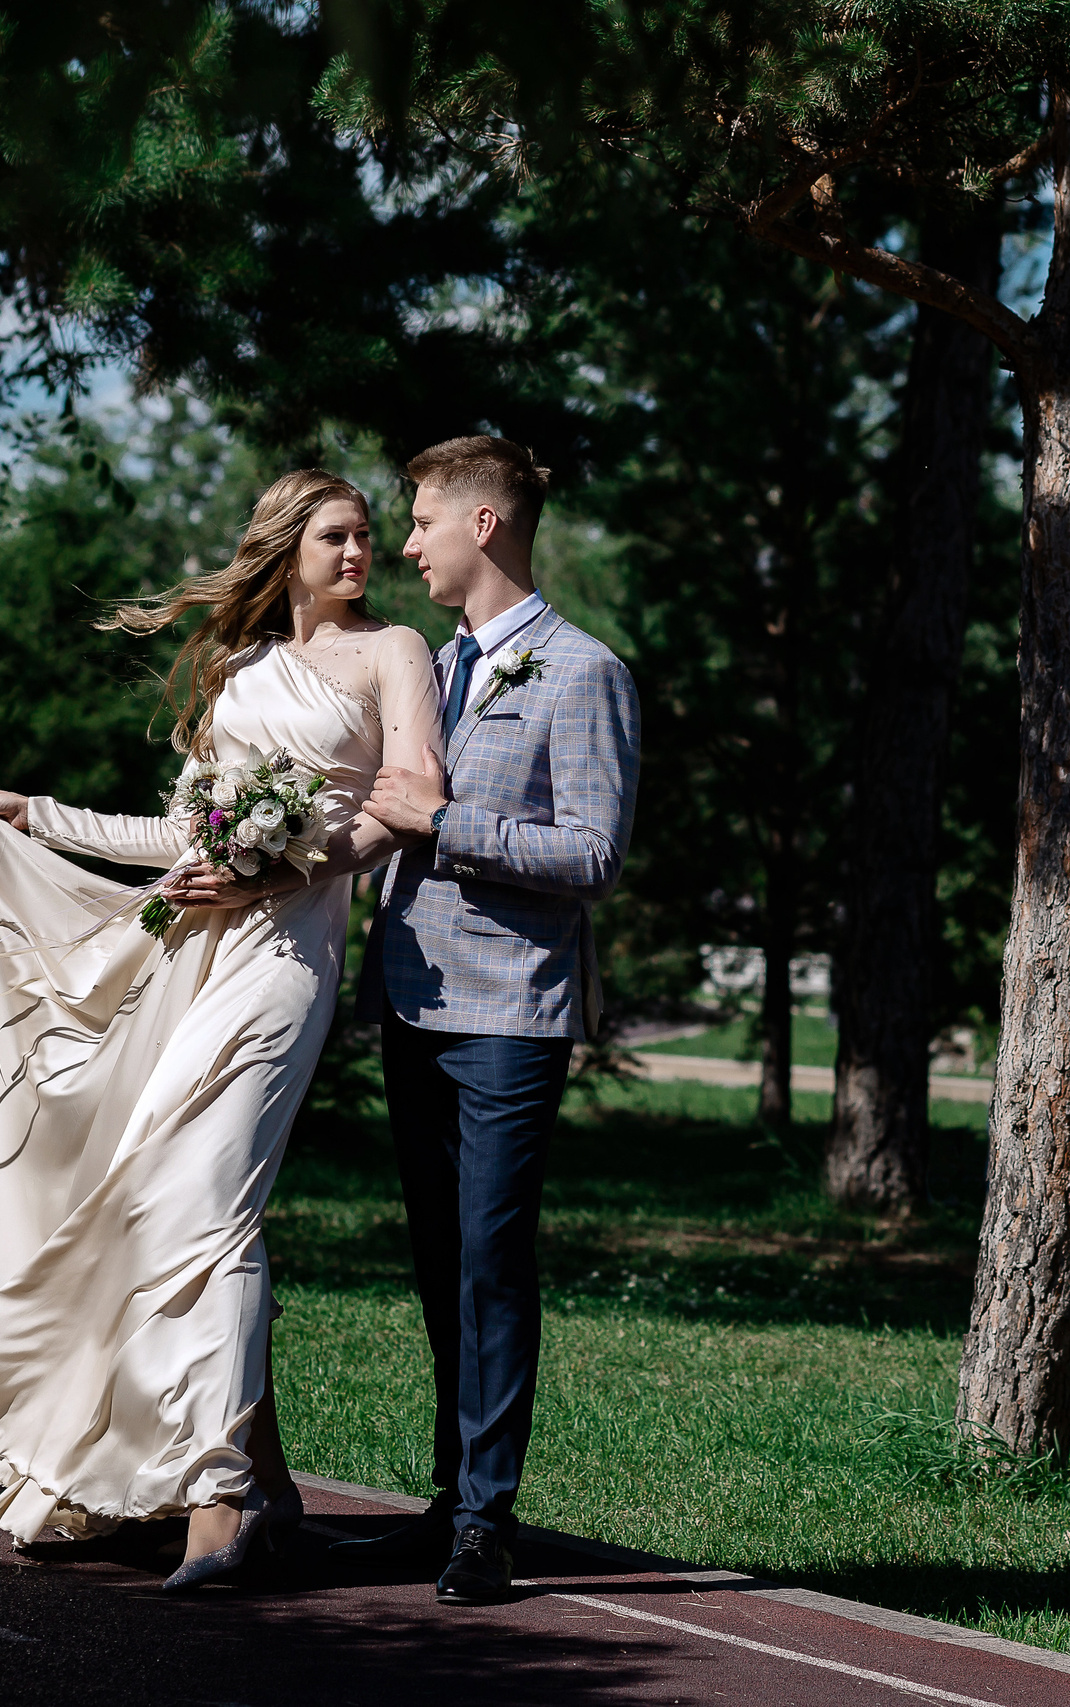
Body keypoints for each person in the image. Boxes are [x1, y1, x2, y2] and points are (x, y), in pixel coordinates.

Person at [0, 469, 443, 1592]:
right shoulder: (239, 669)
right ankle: (267, 1483)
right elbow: (178, 831)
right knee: (167, 1200)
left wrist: (277, 869)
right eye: (336, 538)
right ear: (285, 548)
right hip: (194, 955)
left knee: (203, 1203)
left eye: (366, 540)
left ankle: (220, 1494)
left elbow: (406, 802)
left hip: (290, 957)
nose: (361, 556)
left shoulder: (395, 650)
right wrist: (35, 814)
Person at [333, 436, 641, 1605]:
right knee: (437, 1262)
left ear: (482, 526)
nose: (400, 545)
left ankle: (486, 1524)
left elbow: (594, 854)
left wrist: (443, 822)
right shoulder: (429, 666)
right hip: (413, 1003)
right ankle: (444, 1500)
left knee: (491, 1264)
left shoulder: (581, 672)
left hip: (510, 1017)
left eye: (417, 522)